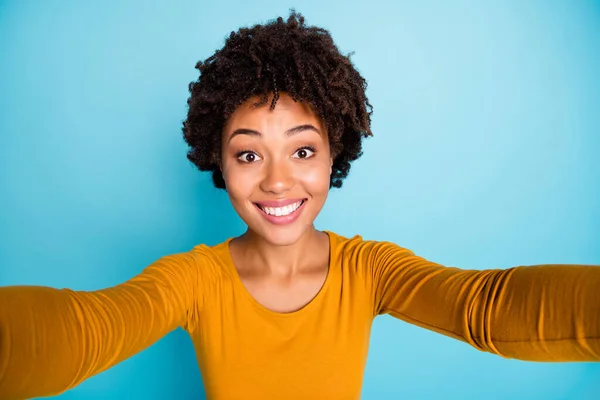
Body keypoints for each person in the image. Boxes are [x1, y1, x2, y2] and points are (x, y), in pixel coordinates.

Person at [0, 10, 598, 400]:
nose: (279, 183)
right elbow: (83, 330)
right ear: (220, 163)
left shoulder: (370, 272)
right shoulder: (194, 281)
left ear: (335, 153)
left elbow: (487, 307)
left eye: (303, 151)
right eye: (249, 155)